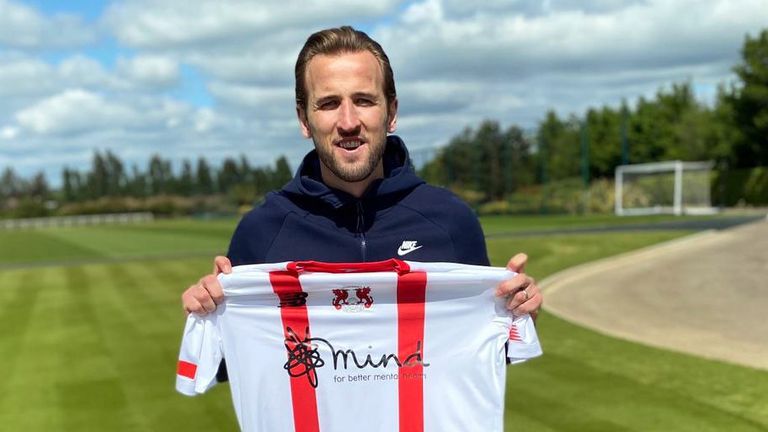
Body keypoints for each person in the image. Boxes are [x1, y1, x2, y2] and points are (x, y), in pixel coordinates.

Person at [182, 25, 541, 326]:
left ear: (392, 112)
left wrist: (514, 313)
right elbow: (237, 365)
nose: (348, 122)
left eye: (364, 100)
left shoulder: (451, 222)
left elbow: (481, 356)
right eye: (329, 103)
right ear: (304, 120)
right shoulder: (261, 234)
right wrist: (209, 313)